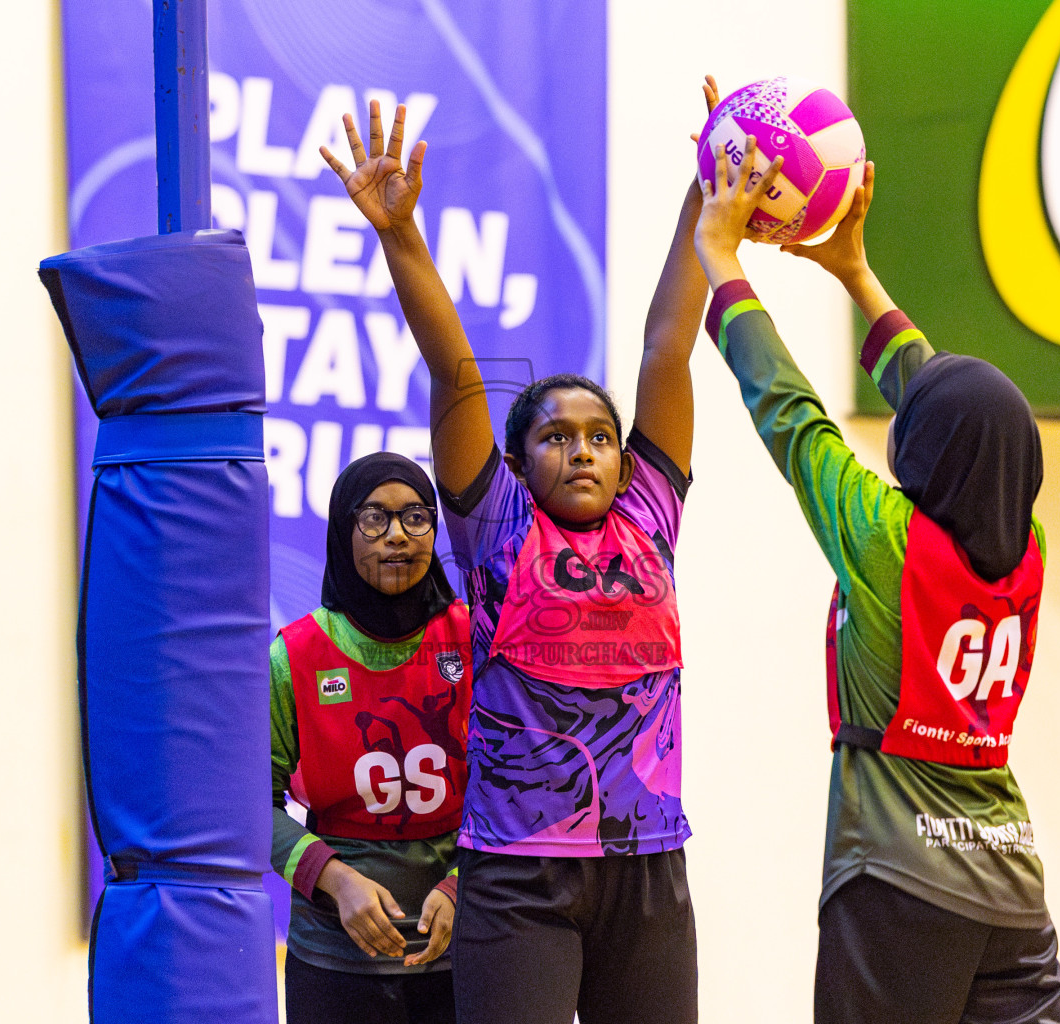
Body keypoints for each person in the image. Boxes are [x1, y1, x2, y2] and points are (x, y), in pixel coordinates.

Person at [317, 82, 733, 1024]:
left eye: (600, 437)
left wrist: (704, 194)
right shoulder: (499, 524)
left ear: (625, 460)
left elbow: (668, 350)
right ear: (515, 461)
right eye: (556, 436)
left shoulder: (650, 514)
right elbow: (455, 370)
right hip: (517, 874)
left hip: (647, 863)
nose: (582, 450)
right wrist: (400, 236)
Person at [692, 142, 1060, 1023]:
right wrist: (856, 274)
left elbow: (790, 413)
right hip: (1011, 882)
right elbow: (957, 413)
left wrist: (720, 257)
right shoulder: (1029, 544)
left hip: (900, 875)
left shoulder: (884, 540)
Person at [270, 452, 474, 1024]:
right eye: (375, 518)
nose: (398, 536)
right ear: (344, 529)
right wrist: (335, 881)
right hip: (332, 955)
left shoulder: (474, 637)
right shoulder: (294, 655)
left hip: (469, 946)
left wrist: (463, 885)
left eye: (416, 516)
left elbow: (520, 787)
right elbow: (249, 804)